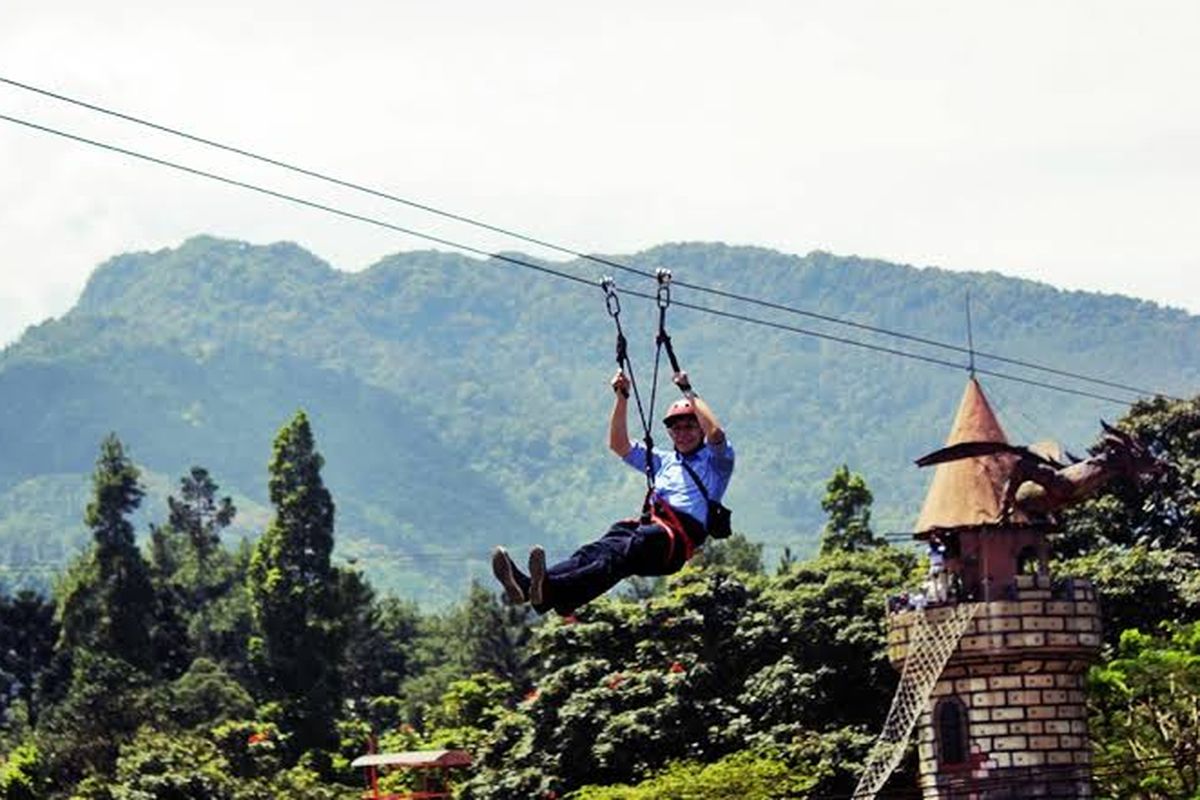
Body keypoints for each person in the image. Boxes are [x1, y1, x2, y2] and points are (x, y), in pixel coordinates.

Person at [491, 368, 734, 616]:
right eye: (676, 429)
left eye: (689, 427)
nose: (682, 433)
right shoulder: (665, 460)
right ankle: (533, 587)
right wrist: (622, 398)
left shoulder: (716, 463)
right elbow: (619, 445)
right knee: (598, 550)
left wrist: (687, 390)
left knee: (623, 551)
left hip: (674, 541)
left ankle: (552, 590)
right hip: (649, 528)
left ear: (700, 429)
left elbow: (716, 433)